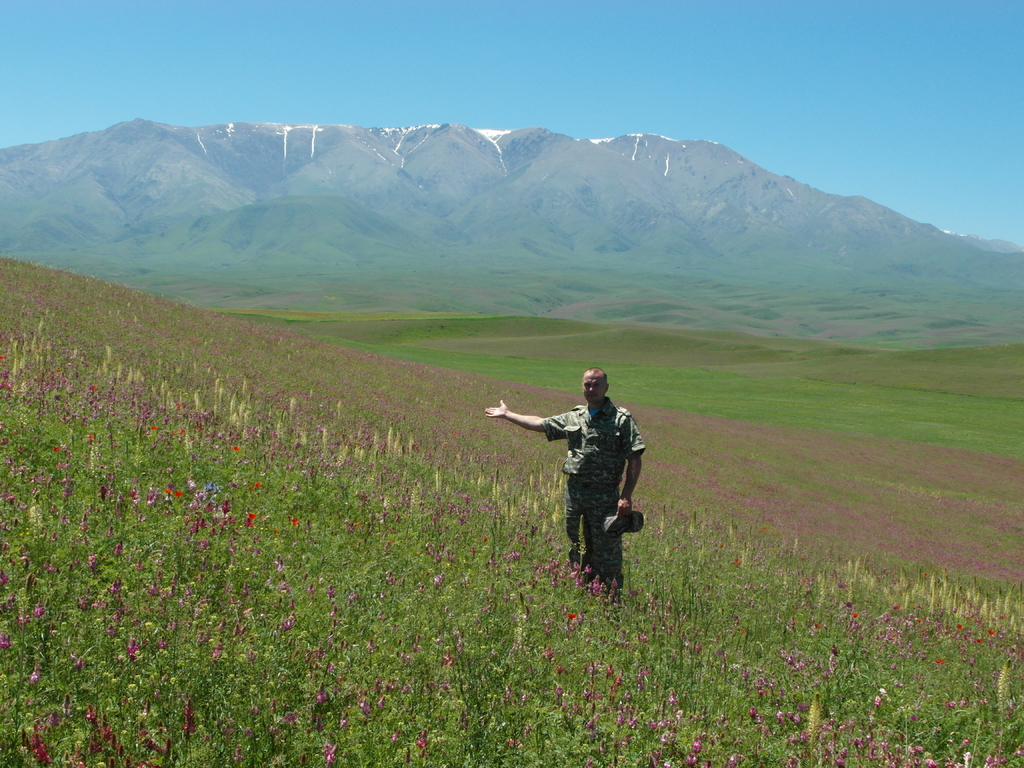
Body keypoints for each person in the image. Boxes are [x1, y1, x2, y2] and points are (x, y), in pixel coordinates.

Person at [484, 367, 645, 595]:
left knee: (607, 552)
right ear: (583, 387)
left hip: (606, 498)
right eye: (587, 384)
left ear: (606, 388)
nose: (591, 389)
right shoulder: (574, 416)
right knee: (578, 547)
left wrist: (626, 495)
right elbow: (540, 423)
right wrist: (508, 414)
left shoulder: (621, 419)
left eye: (596, 384)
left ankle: (611, 600)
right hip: (576, 495)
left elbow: (634, 457)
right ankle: (582, 594)